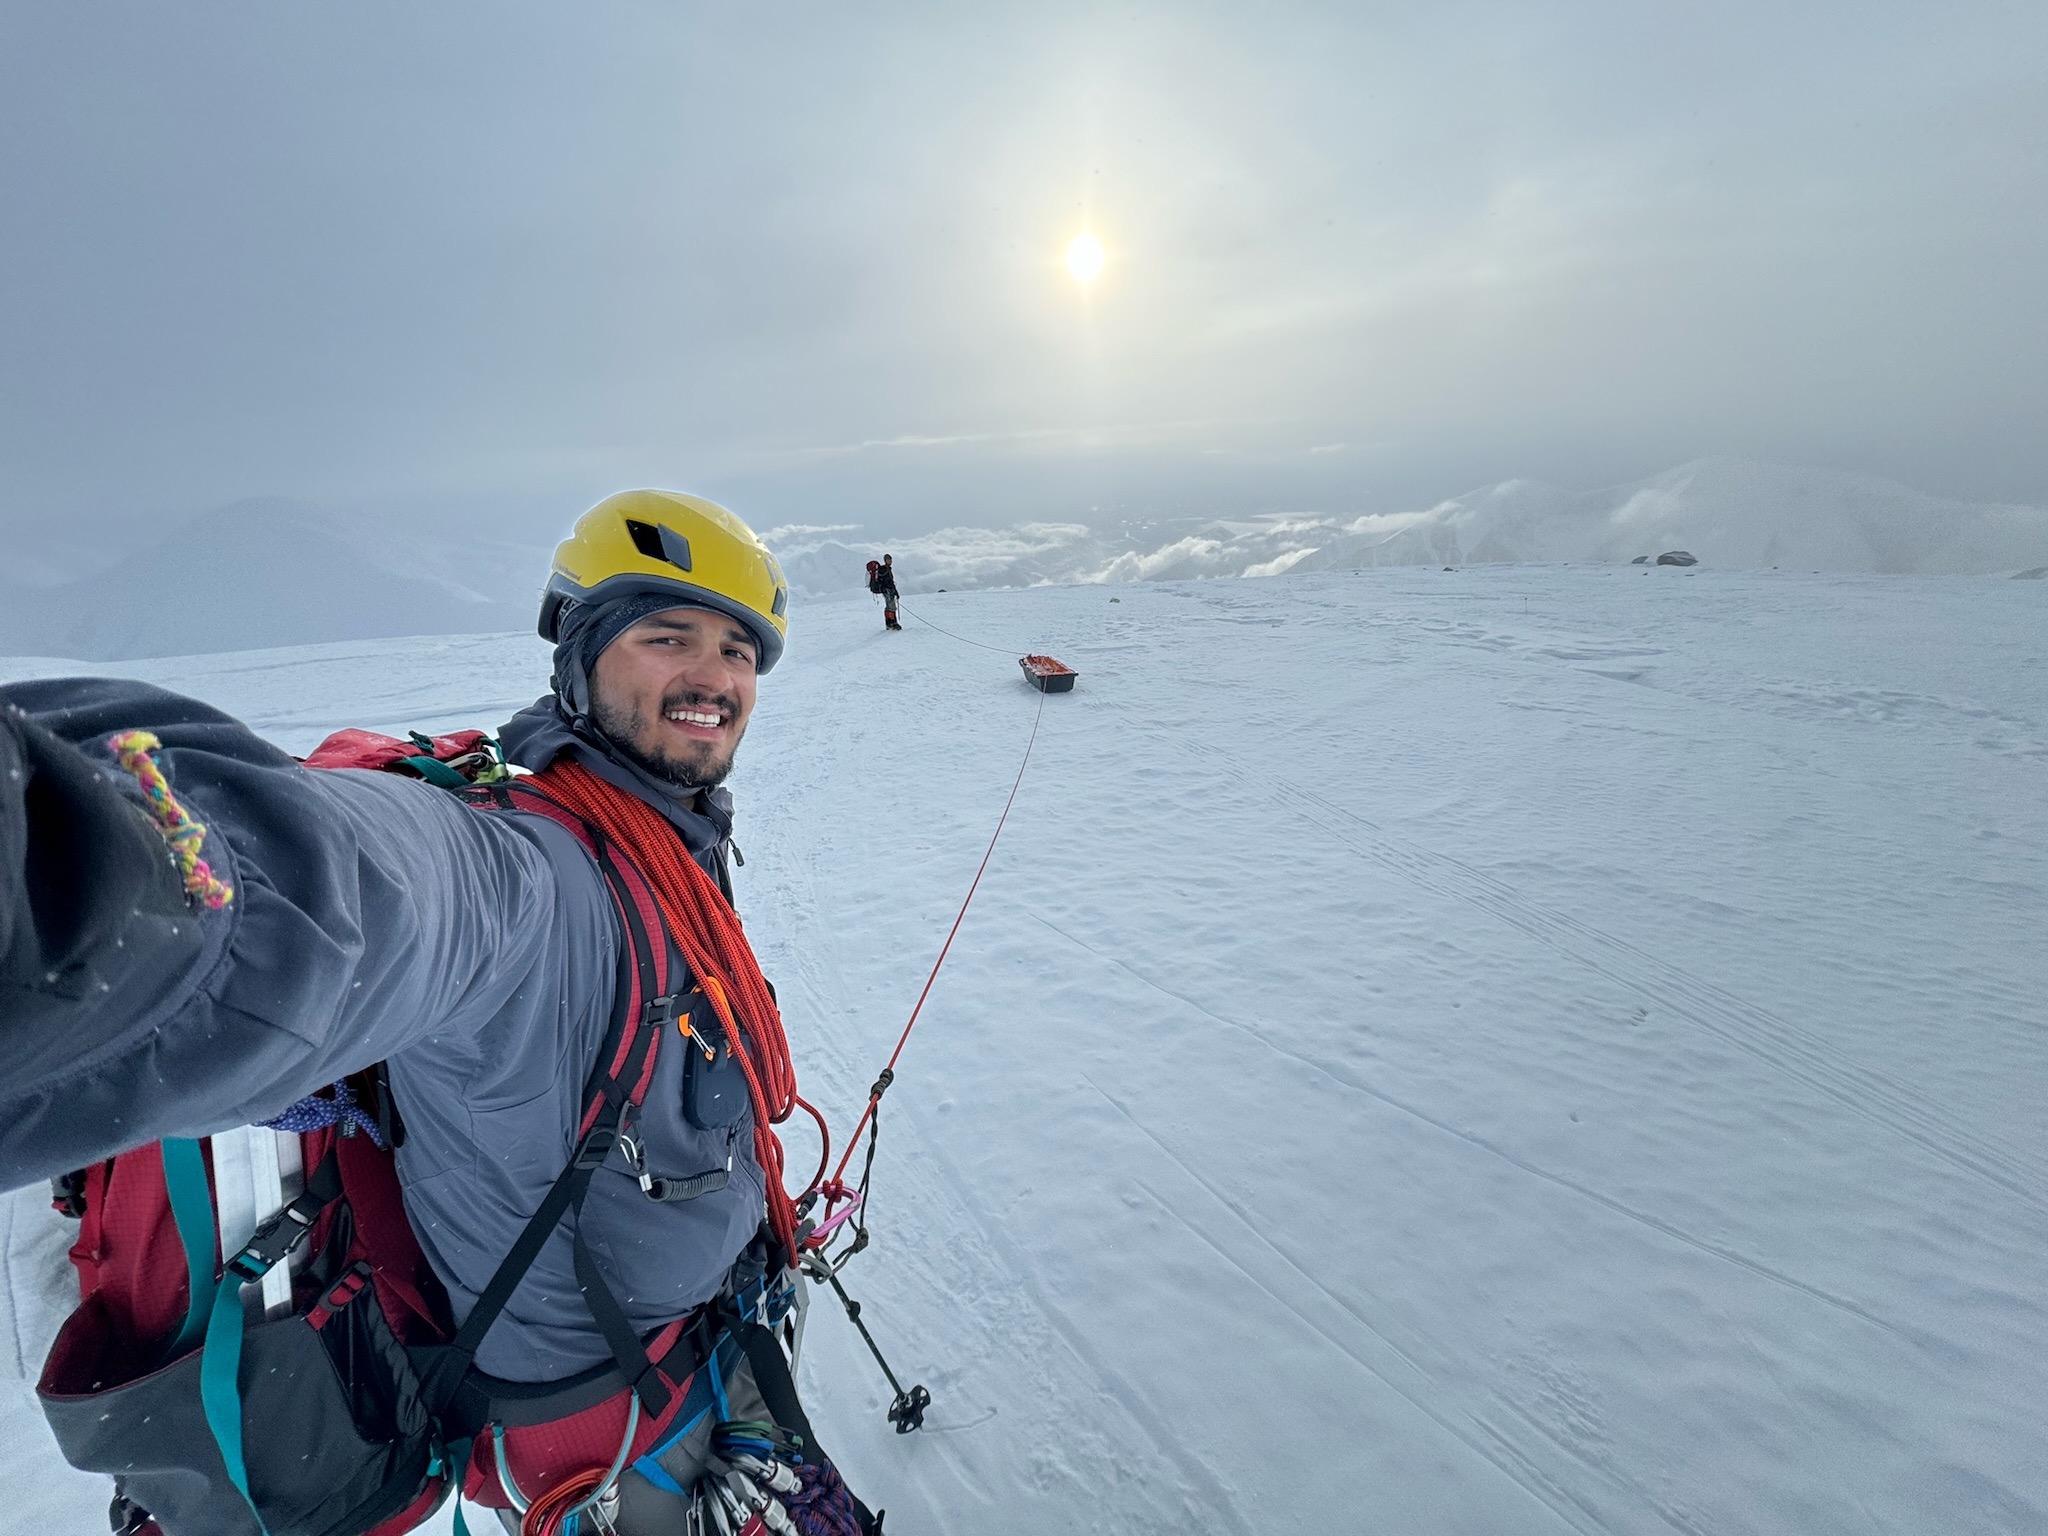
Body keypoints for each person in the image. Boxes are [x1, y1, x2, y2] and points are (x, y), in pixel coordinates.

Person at [0, 490, 875, 1533]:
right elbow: (323, 888)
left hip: (704, 1339)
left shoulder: (665, 848)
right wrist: (86, 873)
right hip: (602, 1432)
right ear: (581, 655)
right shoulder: (525, 874)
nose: (713, 677)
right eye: (666, 635)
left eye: (738, 650)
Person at [866, 554, 901, 630]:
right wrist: (887, 589)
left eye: (890, 559)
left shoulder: (886, 569)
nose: (890, 561)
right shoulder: (884, 570)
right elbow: (885, 582)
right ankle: (893, 623)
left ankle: (889, 623)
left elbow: (890, 582)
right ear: (885, 560)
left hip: (888, 591)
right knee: (891, 607)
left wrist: (895, 592)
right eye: (889, 559)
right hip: (888, 591)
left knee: (889, 606)